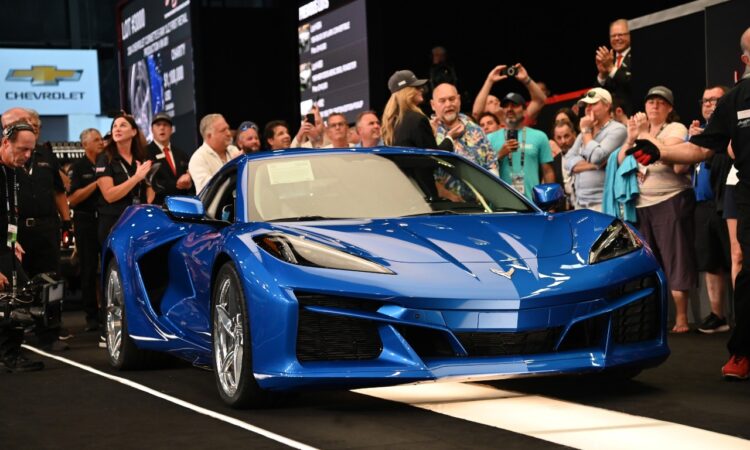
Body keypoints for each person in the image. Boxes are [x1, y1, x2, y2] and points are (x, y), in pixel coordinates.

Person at [626, 28, 750, 378]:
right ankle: (743, 352)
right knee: (748, 275)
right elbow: (699, 148)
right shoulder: (735, 100)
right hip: (748, 193)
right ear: (745, 60)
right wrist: (660, 150)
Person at [2, 108, 72, 350]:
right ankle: (14, 343)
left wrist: (66, 221)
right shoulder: (6, 160)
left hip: (43, 228)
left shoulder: (44, 155)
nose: (27, 153)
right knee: (16, 287)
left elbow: (58, 191)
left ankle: (49, 335)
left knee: (50, 282)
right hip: (16, 232)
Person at [0, 121, 44, 372]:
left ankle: (10, 352)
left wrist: (13, 244)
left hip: (5, 246)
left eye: (31, 151)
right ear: (6, 143)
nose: (27, 156)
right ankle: (11, 355)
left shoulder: (12, 172)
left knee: (19, 294)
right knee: (11, 299)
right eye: (22, 149)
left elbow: (9, 216)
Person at [689, 86, 733, 334]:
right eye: (705, 100)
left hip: (728, 201)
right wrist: (695, 142)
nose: (708, 104)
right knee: (710, 261)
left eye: (714, 100)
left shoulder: (728, 131)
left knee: (734, 260)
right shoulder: (698, 133)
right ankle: (717, 315)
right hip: (702, 205)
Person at [564, 88, 627, 211]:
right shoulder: (584, 131)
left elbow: (597, 157)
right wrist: (595, 166)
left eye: (593, 104)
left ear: (607, 106)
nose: (588, 108)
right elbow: (567, 161)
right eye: (587, 105)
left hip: (605, 203)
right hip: (580, 203)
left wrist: (586, 131)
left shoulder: (618, 129)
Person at [96, 113, 154, 245]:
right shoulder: (105, 158)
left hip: (139, 220)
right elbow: (109, 195)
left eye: (122, 125)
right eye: (114, 126)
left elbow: (150, 187)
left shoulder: (140, 157)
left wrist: (146, 201)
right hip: (114, 222)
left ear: (133, 132)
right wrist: (136, 178)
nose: (117, 129)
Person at [68, 128, 104, 333]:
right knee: (89, 269)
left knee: (106, 268)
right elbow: (73, 199)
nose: (101, 143)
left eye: (101, 139)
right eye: (96, 140)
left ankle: (106, 311)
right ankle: (91, 315)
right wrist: (96, 184)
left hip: (104, 221)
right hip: (85, 222)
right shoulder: (78, 167)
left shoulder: (105, 163)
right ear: (85, 145)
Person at [487, 92, 555, 199]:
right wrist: (500, 154)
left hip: (532, 205)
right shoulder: (490, 138)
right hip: (499, 206)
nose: (509, 109)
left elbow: (548, 172)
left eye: (514, 105)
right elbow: (483, 170)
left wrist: (550, 203)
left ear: (524, 111)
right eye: (505, 106)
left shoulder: (539, 136)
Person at [381, 69, 457, 150]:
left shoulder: (390, 122)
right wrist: (450, 138)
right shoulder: (417, 119)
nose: (422, 89)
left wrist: (430, 133)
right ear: (407, 92)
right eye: (416, 87)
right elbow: (434, 157)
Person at [431, 82, 494, 172]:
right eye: (442, 101)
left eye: (452, 99)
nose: (448, 104)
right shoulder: (429, 131)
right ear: (433, 105)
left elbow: (491, 163)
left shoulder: (476, 129)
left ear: (459, 100)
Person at [472, 64, 547, 127]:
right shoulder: (484, 128)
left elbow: (540, 100)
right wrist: (489, 80)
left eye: (497, 100)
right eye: (490, 102)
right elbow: (476, 113)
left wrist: (526, 79)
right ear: (484, 110)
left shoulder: (519, 120)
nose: (496, 103)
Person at [146, 112, 193, 205]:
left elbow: (190, 176)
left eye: (165, 125)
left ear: (171, 130)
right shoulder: (145, 153)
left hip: (182, 205)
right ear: (152, 129)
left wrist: (189, 180)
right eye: (158, 125)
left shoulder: (181, 154)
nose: (162, 128)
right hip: (159, 206)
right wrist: (176, 184)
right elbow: (151, 182)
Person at [188, 114, 240, 192]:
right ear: (209, 136)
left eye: (228, 128)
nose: (229, 133)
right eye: (223, 130)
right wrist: (232, 166)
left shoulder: (234, 150)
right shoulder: (198, 158)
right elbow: (209, 189)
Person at [596, 19, 633, 115]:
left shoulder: (639, 54)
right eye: (613, 36)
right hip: (611, 118)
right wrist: (602, 76)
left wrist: (611, 69)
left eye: (620, 35)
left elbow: (633, 84)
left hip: (632, 114)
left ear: (630, 34)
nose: (616, 38)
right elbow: (598, 96)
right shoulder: (609, 60)